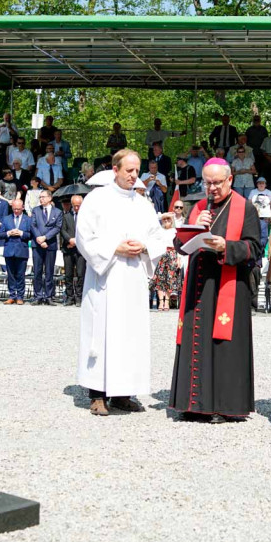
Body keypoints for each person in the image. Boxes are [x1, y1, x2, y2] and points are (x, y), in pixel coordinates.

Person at [170, 157, 261, 423]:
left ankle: (222, 406)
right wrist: (195, 226)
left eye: (217, 183)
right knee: (195, 341)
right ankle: (193, 403)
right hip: (198, 287)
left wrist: (227, 246)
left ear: (230, 179)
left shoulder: (246, 208)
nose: (212, 188)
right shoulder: (198, 206)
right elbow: (179, 244)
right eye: (207, 183)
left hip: (228, 286)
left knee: (223, 345)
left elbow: (254, 249)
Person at [77, 149, 167, 415]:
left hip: (133, 279)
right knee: (102, 333)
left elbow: (157, 237)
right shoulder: (96, 199)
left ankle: (123, 393)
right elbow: (85, 237)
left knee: (130, 335)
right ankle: (97, 394)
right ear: (115, 170)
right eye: (129, 170)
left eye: (136, 170)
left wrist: (145, 246)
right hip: (106, 277)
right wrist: (115, 247)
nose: (134, 175)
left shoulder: (143, 203)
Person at [30, 190, 63, 305]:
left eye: (43, 197)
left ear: (50, 198)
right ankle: (38, 295)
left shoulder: (57, 212)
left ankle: (49, 296)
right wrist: (39, 238)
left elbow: (57, 227)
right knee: (37, 272)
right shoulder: (35, 210)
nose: (41, 199)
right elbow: (33, 225)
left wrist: (45, 237)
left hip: (50, 245)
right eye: (40, 197)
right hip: (37, 244)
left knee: (49, 271)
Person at [1, 198, 30, 304]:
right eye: (14, 209)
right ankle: (12, 295)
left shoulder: (28, 219)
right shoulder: (6, 219)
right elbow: (1, 234)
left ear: (22, 208)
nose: (16, 211)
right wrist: (9, 233)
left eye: (18, 209)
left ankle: (20, 296)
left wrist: (21, 233)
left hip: (22, 249)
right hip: (9, 249)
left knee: (20, 275)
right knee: (11, 275)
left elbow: (30, 234)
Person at [60, 194, 87, 306]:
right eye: (74, 206)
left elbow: (88, 232)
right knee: (68, 274)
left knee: (81, 274)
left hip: (80, 251)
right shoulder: (66, 216)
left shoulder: (86, 217)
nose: (76, 208)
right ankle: (70, 297)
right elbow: (63, 230)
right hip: (68, 249)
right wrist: (70, 240)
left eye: (79, 206)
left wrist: (77, 241)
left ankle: (79, 297)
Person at [152, 213, 179, 311]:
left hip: (172, 253)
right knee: (160, 278)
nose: (166, 220)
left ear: (172, 220)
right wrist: (164, 215)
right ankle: (161, 301)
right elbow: (155, 218)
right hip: (161, 254)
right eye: (164, 219)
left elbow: (178, 245)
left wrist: (178, 259)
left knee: (170, 278)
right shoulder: (159, 230)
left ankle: (166, 301)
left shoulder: (175, 231)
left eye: (168, 219)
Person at [247, 177, 271, 253]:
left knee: (264, 236)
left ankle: (260, 251)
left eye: (263, 183)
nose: (261, 184)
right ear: (257, 184)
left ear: (265, 185)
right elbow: (249, 204)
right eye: (259, 183)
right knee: (254, 235)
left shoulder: (269, 192)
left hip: (265, 217)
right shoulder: (253, 192)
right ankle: (254, 251)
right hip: (254, 217)